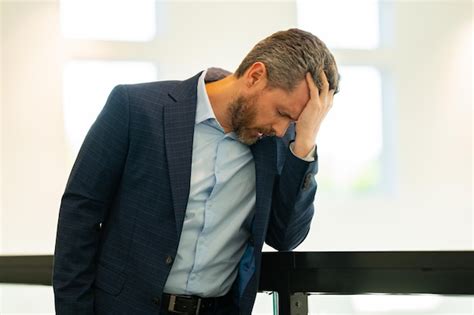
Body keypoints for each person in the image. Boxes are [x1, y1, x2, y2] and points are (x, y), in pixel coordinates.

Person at [52, 28, 339, 315]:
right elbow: (80, 213)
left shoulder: (276, 143)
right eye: (283, 113)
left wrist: (304, 143)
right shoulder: (135, 107)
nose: (280, 130)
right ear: (255, 76)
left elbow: (285, 237)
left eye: (293, 123)